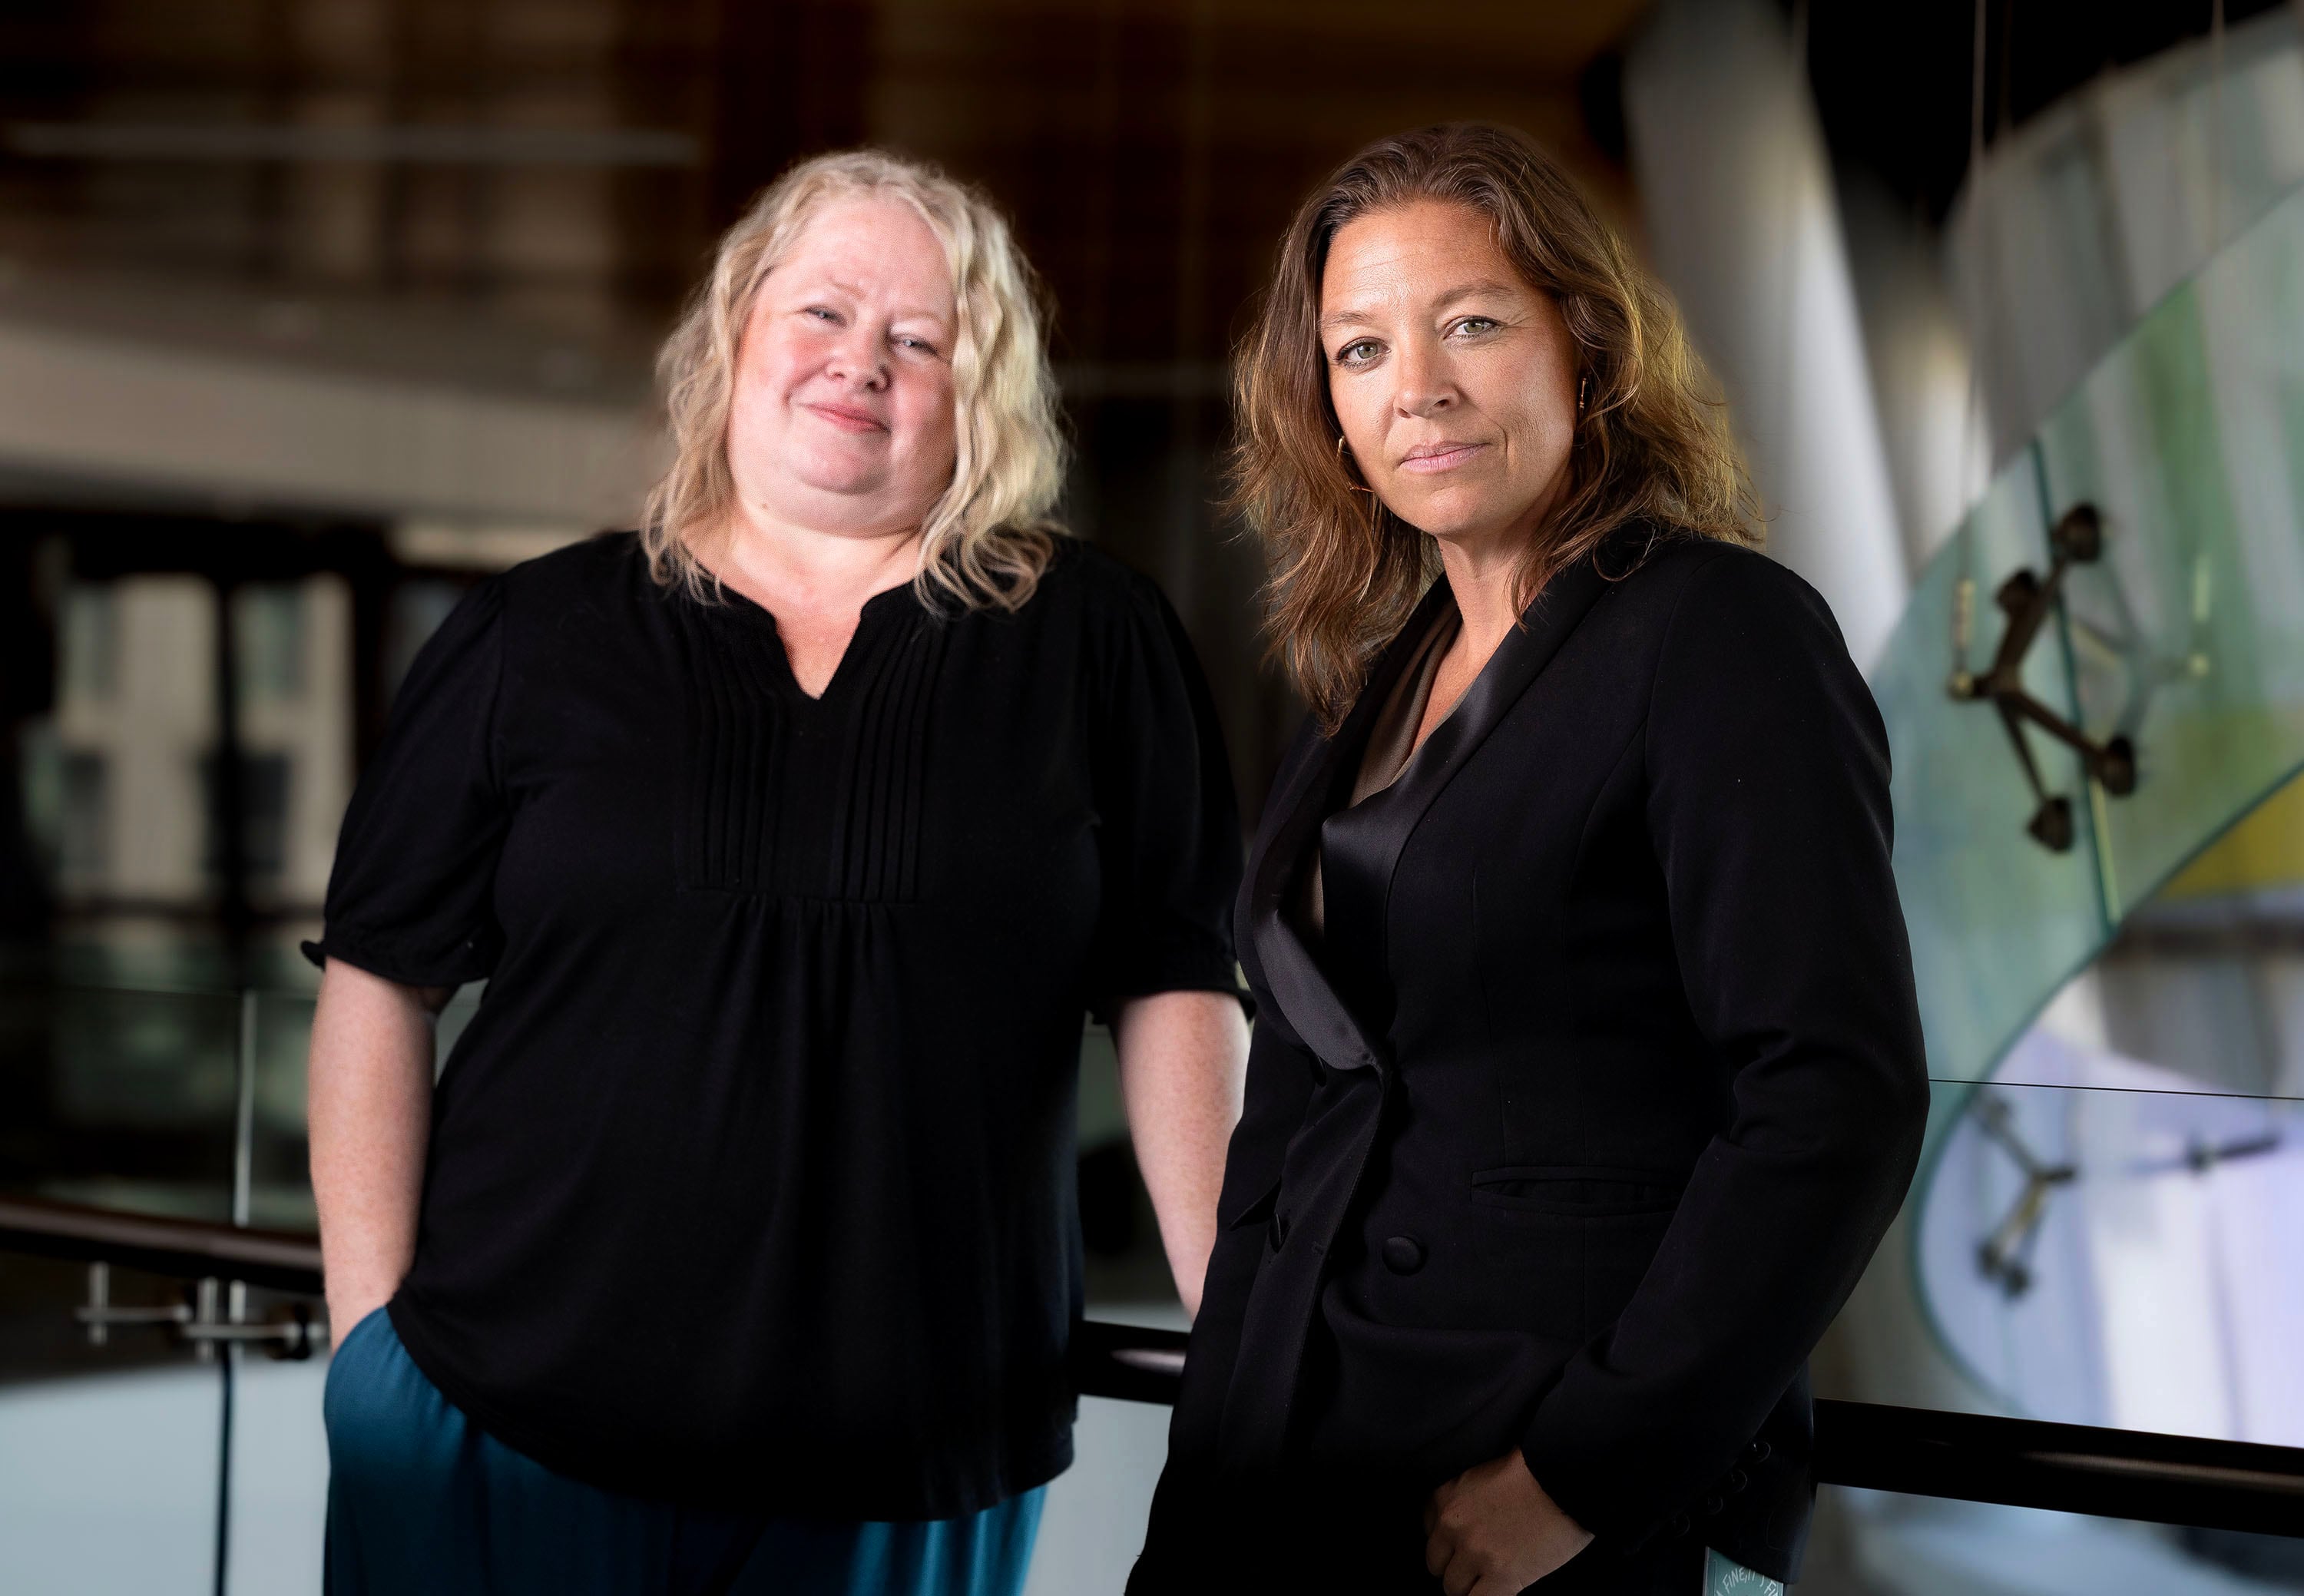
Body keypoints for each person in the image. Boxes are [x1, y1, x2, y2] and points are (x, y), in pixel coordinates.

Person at [305, 148, 1250, 1596]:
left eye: (918, 340)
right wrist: (369, 1345)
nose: (859, 363)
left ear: (973, 394)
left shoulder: (1093, 642)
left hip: (911, 1466)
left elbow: (1179, 992)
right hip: (496, 1425)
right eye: (821, 312)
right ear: (735, 334)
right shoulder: (534, 633)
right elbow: (379, 979)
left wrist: (1240, 1339)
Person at [1130, 124, 1928, 1596]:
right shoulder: (1382, 672)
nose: (1416, 387)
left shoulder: (1720, 634)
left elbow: (1834, 1094)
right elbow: (1304, 1112)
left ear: (1588, 344)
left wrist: (1580, 1476)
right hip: (1279, 1466)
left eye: (1474, 324)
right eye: (1360, 350)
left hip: (1522, 1484)